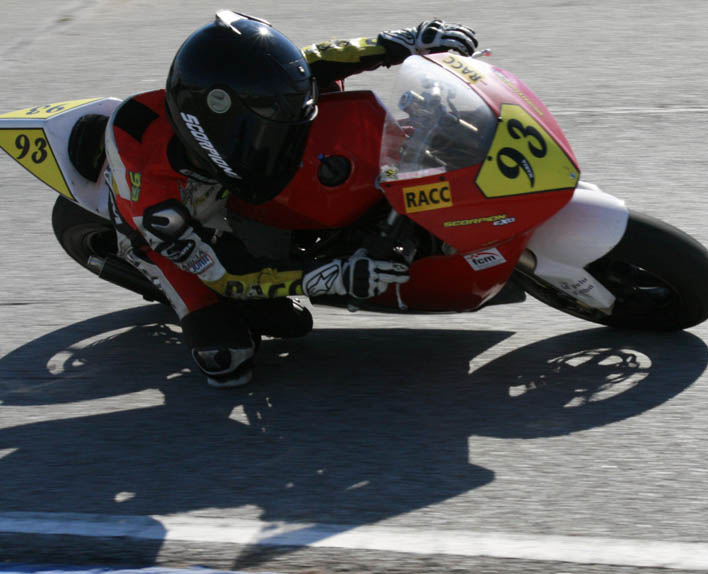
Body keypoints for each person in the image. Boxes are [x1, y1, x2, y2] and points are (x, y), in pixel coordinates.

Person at [103, 10, 478, 387]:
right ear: (217, 133)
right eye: (259, 130)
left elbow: (309, 61)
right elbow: (225, 275)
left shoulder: (228, 102)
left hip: (232, 194)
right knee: (232, 358)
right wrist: (328, 276)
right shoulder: (157, 201)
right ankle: (197, 313)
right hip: (172, 240)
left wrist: (400, 43)